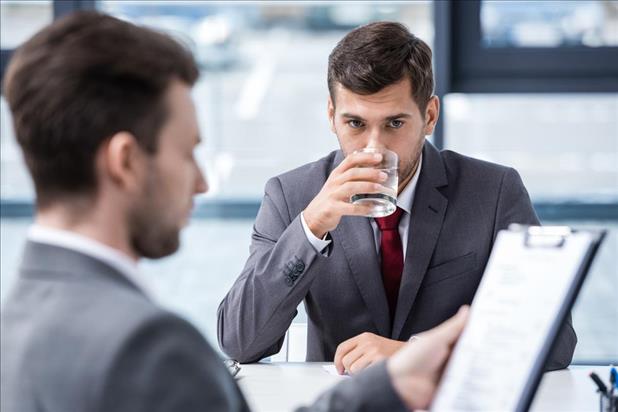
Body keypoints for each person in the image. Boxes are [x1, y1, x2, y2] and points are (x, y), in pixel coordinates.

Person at [0, 11, 469, 412]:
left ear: (428, 115)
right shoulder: (149, 347)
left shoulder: (16, 323)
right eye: (187, 153)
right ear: (125, 161)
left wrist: (394, 375)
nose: (202, 183)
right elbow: (241, 338)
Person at [217, 21, 577, 374]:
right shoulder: (292, 195)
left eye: (394, 124)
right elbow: (240, 341)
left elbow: (556, 340)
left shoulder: (494, 191)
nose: (374, 148)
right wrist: (310, 229)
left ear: (430, 116)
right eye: (355, 124)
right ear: (332, 116)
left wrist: (415, 354)